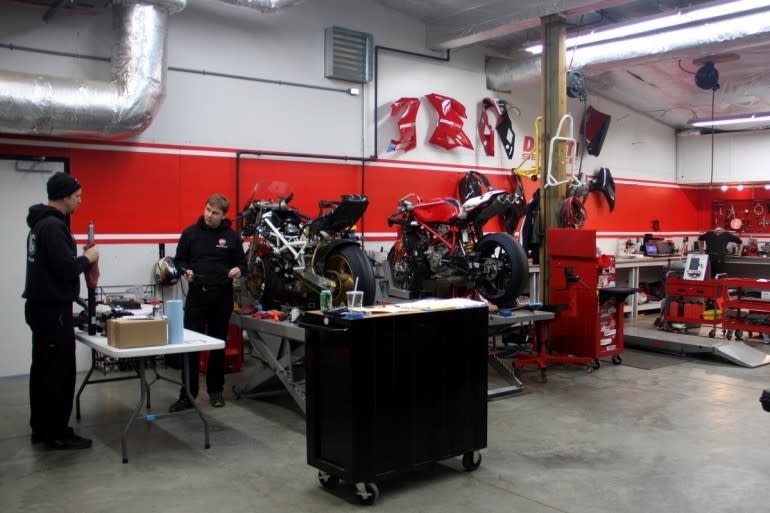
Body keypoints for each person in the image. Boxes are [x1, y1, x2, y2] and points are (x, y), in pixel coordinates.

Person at [23, 172, 99, 450]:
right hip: (52, 309)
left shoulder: (39, 225)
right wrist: (87, 258)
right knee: (59, 371)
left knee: (42, 368)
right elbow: (65, 268)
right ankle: (57, 432)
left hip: (40, 307)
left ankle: (41, 427)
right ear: (65, 196)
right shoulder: (53, 227)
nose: (80, 201)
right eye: (77, 196)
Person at [169, 194, 246, 412]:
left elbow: (242, 264)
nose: (210, 215)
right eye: (208, 210)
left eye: (215, 213)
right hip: (196, 297)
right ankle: (188, 395)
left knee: (217, 346)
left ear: (224, 215)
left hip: (221, 297)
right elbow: (178, 260)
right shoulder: (190, 234)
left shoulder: (231, 237)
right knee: (190, 347)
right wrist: (185, 271)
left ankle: (216, 391)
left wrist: (239, 270)